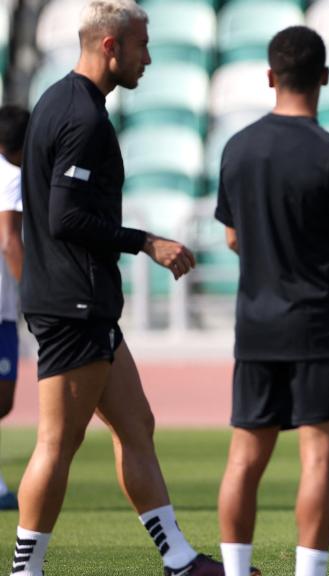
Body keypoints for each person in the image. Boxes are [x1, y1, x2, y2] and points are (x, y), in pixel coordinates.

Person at [12, 1, 228, 574]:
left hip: (83, 301)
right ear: (111, 45)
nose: (149, 58)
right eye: (142, 45)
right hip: (72, 303)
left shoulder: (62, 100)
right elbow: (65, 217)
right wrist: (146, 242)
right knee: (57, 443)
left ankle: (179, 558)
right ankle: (25, 569)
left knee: (136, 425)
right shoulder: (80, 117)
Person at [215, 26, 329, 576]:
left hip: (255, 323)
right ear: (323, 77)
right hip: (320, 322)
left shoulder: (238, 147)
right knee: (320, 460)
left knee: (244, 459)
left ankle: (235, 570)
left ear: (270, 76)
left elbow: (232, 237)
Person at [0, 105, 28, 513]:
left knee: (3, 403)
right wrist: (35, 294)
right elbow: (9, 239)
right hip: (2, 305)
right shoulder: (11, 177)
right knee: (2, 399)